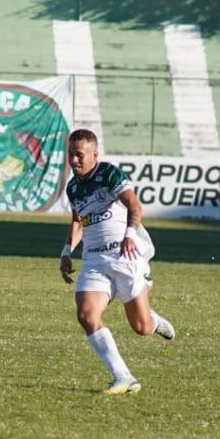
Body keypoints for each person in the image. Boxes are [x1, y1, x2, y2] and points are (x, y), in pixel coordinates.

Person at [59, 128, 175, 395]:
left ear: (94, 154)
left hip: (125, 256)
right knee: (86, 315)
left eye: (79, 155)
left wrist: (130, 234)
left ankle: (152, 320)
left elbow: (134, 206)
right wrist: (66, 251)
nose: (74, 160)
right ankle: (123, 377)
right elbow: (78, 220)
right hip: (94, 260)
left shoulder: (109, 174)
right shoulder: (73, 187)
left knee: (141, 327)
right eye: (70, 155)